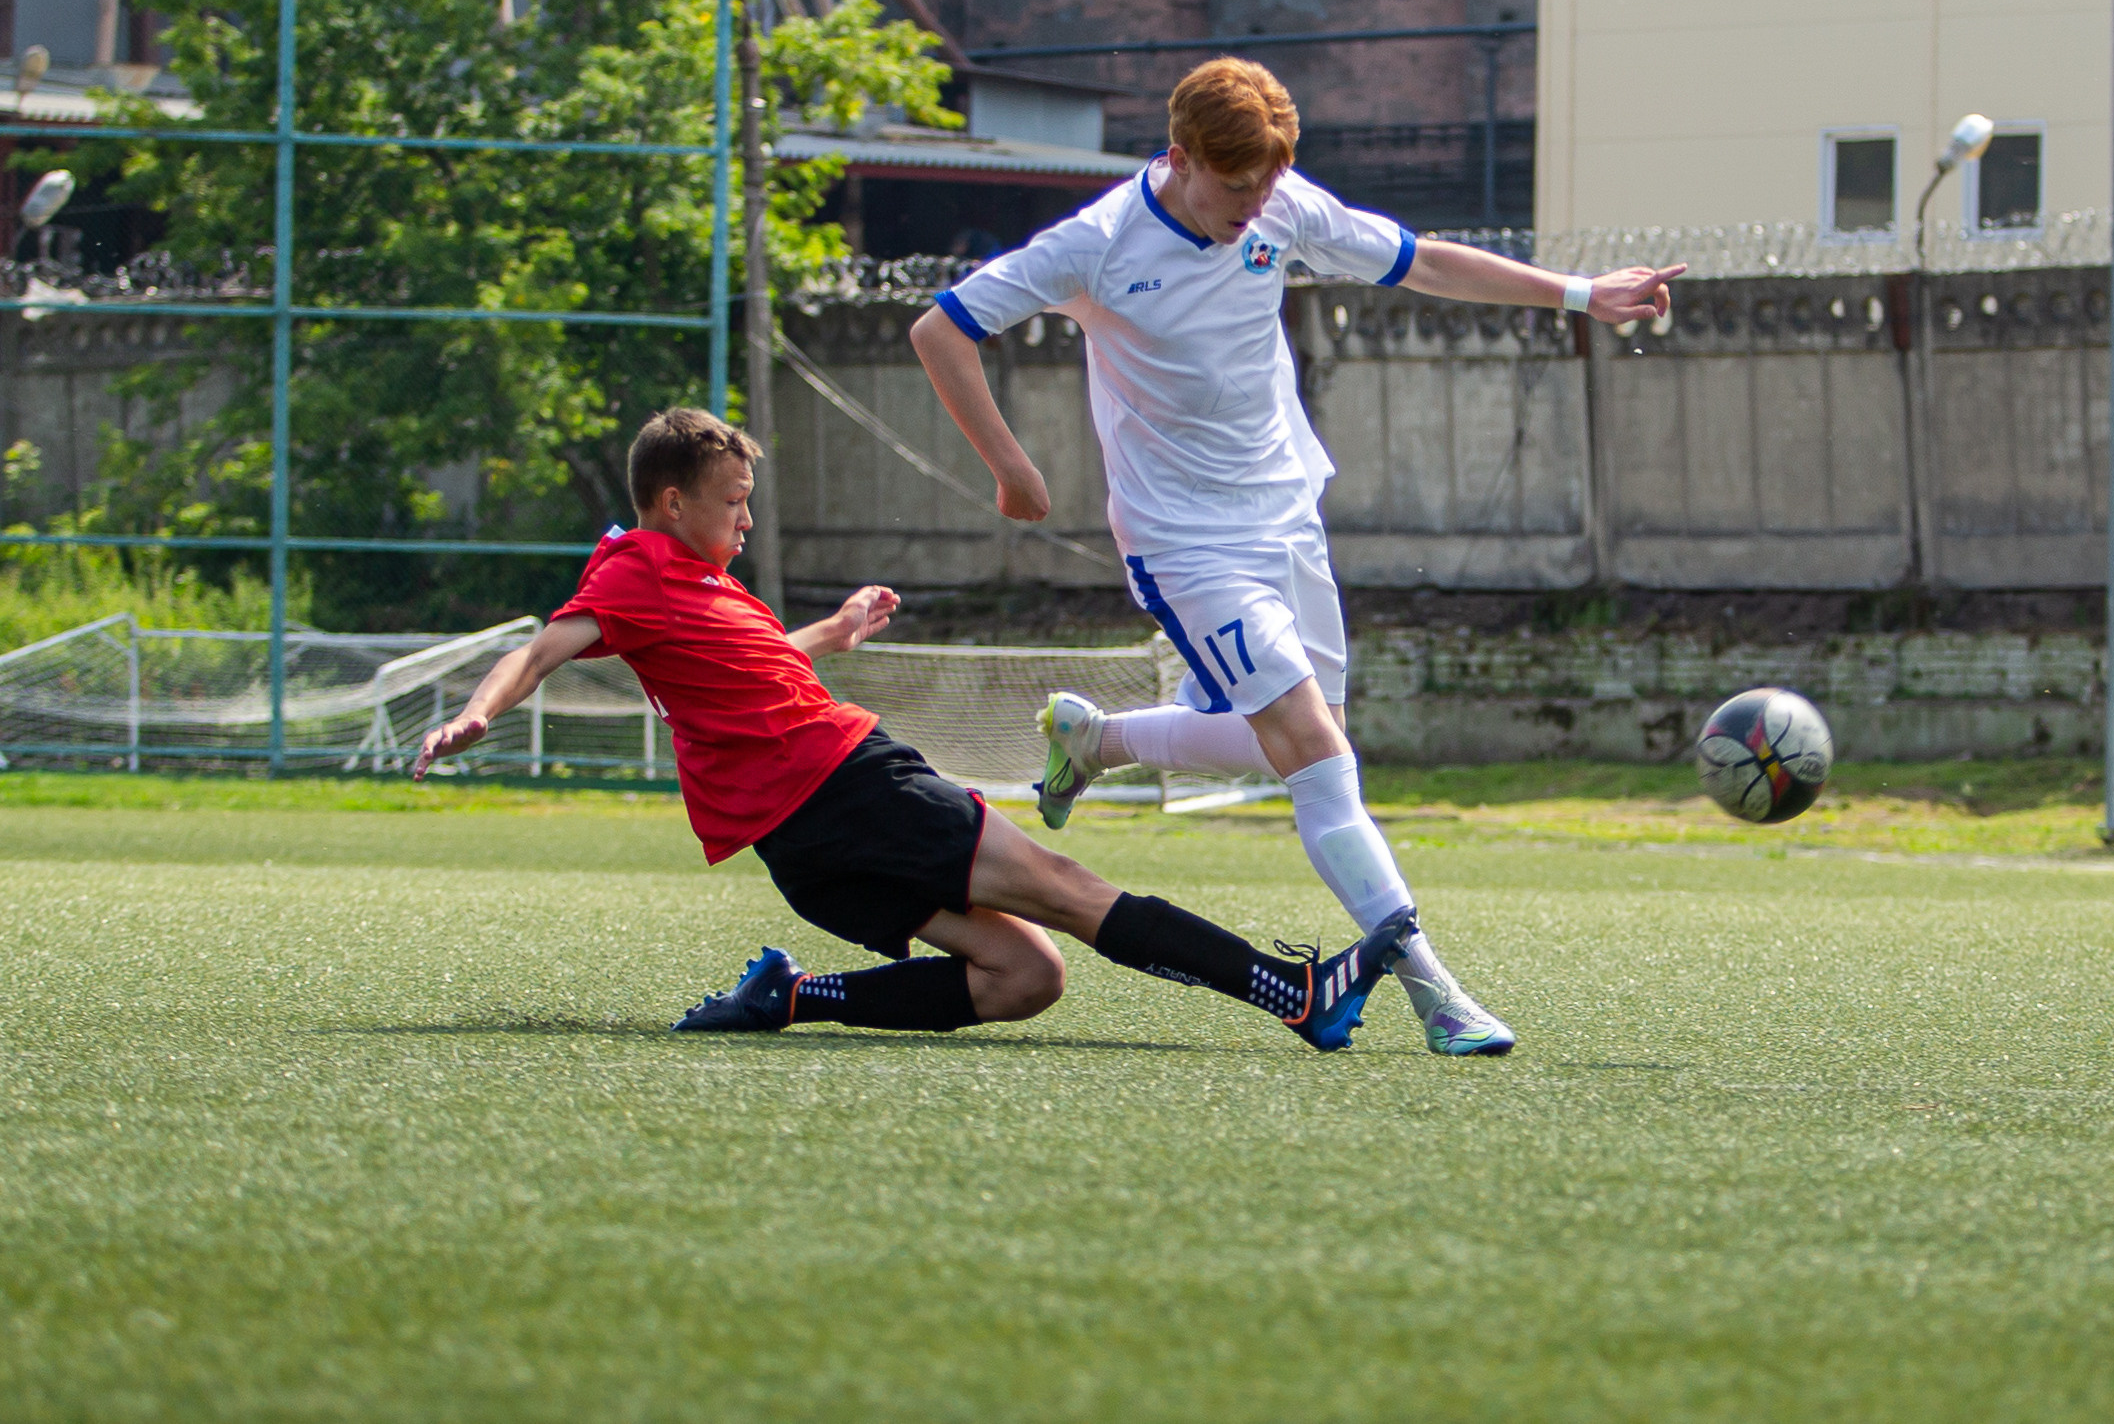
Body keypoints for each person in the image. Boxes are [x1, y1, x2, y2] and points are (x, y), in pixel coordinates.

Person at [910, 58, 1684, 1057]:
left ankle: (1096, 741)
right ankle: (1429, 986)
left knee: (1305, 742)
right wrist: (1012, 469)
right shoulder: (1098, 244)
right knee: (1321, 759)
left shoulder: (1278, 202)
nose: (1256, 205)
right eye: (1237, 187)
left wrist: (1581, 292)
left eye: (1269, 184)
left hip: (1288, 516)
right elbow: (943, 327)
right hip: (1187, 543)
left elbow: (1421, 261)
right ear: (1180, 159)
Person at [411, 407, 1412, 1049]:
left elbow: (750, 674)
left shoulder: (695, 587)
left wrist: (831, 632)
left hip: (803, 845)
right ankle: (1295, 994)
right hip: (850, 786)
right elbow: (544, 646)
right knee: (1070, 890)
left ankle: (791, 998)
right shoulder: (633, 571)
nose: (747, 522)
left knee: (1025, 976)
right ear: (671, 502)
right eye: (734, 504)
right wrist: (475, 711)